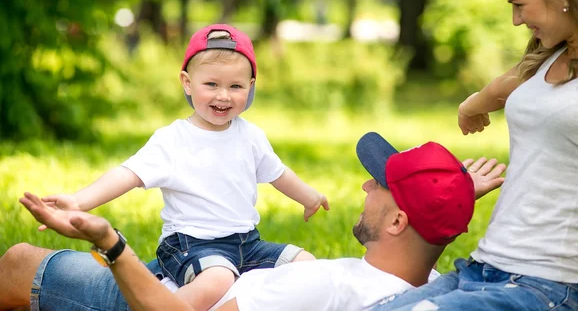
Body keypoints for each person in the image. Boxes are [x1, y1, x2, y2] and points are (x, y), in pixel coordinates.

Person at [0, 132, 506, 311]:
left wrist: (110, 241)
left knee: (19, 262)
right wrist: (453, 195)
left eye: (379, 183)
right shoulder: (436, 288)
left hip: (157, 296)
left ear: (398, 221)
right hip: (221, 273)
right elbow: (428, 225)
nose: (365, 186)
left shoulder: (320, 286)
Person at [373, 0, 578, 310]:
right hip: (484, 268)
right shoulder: (550, 59)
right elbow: (502, 88)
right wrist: (470, 106)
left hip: (554, 285)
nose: (515, 20)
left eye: (519, 4)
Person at [36, 24, 329, 311]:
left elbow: (278, 174)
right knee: (217, 279)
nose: (223, 95)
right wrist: (78, 201)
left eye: (235, 86)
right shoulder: (174, 140)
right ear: (188, 82)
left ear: (250, 87)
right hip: (190, 245)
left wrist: (309, 197)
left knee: (305, 264)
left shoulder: (250, 136)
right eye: (211, 84)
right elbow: (127, 174)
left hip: (247, 244)